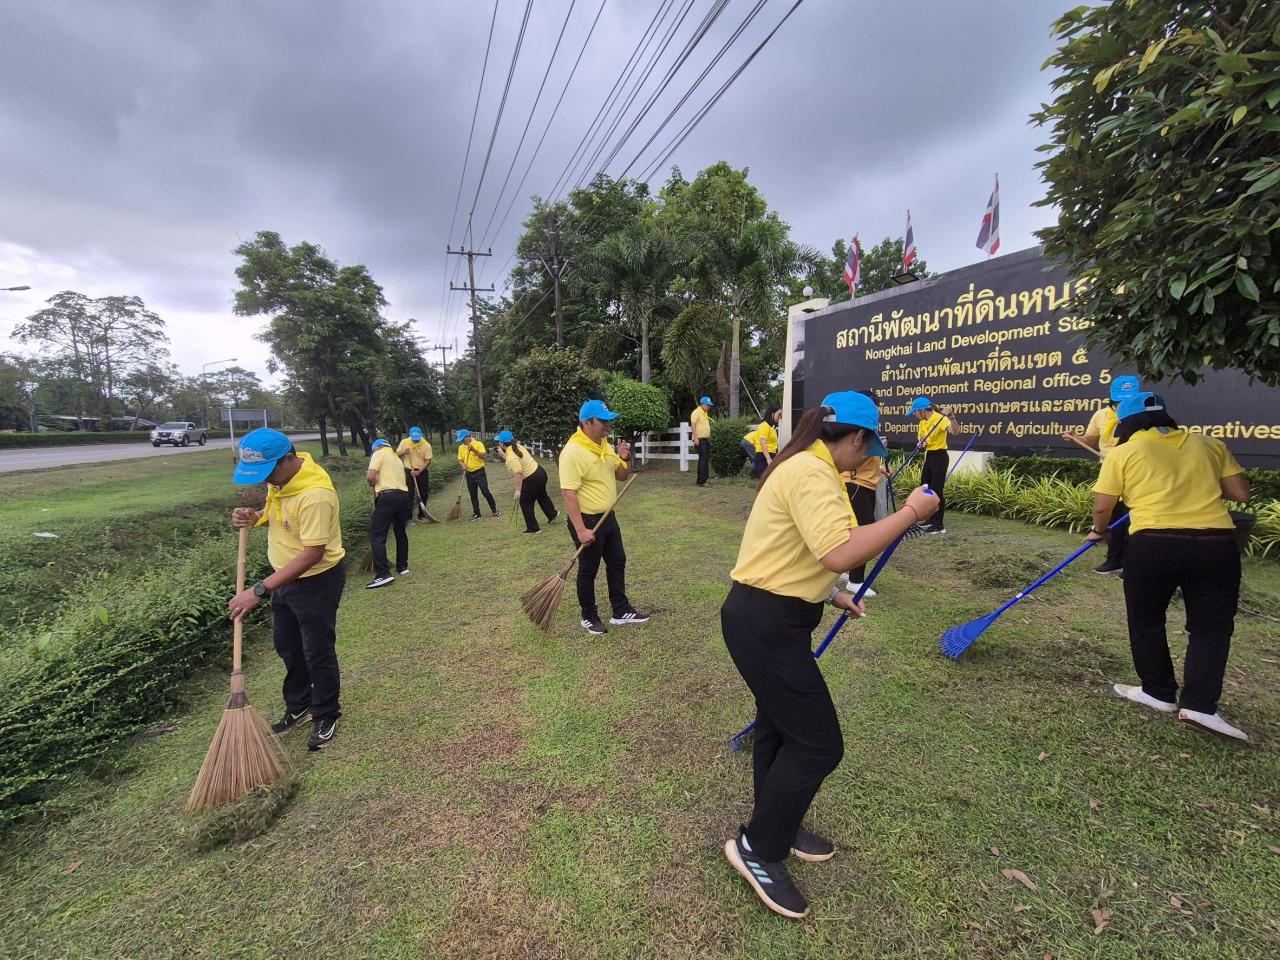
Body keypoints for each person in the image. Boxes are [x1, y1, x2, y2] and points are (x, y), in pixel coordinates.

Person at [721, 392, 938, 919]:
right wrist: (911, 511)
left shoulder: (806, 465)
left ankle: (778, 821)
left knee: (781, 728)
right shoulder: (812, 474)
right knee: (819, 745)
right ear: (856, 438)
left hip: (769, 616)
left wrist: (830, 592)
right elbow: (840, 551)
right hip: (766, 624)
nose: (868, 460)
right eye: (869, 450)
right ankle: (758, 849)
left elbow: (794, 551)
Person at [1090, 392, 1252, 741]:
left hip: (1153, 544)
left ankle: (1158, 691)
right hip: (1216, 544)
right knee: (1212, 627)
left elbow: (1104, 506)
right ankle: (1200, 705)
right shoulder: (1210, 445)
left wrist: (1098, 532)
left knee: (1146, 619)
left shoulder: (1124, 452)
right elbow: (1240, 493)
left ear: (1127, 423)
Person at [227, 428, 346, 752]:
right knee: (287, 646)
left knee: (317, 650)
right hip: (282, 579)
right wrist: (254, 518)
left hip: (315, 581)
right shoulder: (281, 480)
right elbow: (277, 515)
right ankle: (300, 705)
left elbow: (312, 553)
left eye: (269, 472)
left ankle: (326, 712)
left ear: (289, 458)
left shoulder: (315, 494)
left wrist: (259, 590)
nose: (268, 481)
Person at [558, 399, 650, 635]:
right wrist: (580, 530)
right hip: (588, 521)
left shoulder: (604, 444)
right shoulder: (572, 452)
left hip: (609, 516)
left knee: (617, 561)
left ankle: (620, 610)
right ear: (587, 422)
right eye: (603, 421)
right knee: (588, 569)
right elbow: (569, 494)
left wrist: (624, 458)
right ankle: (588, 616)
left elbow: (621, 475)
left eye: (609, 420)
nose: (608, 425)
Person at [1062, 375, 1141, 575]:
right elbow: (1089, 439)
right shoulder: (1100, 416)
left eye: (1129, 399)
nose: (1123, 404)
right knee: (1113, 516)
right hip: (1110, 471)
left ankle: (1133, 564)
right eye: (1120, 399)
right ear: (1112, 398)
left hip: (1138, 471)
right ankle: (1114, 560)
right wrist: (1074, 438)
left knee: (1133, 520)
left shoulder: (1143, 416)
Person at [838, 392, 887, 597]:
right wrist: (878, 449)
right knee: (863, 534)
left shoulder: (866, 428)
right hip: (855, 485)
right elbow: (854, 458)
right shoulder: (860, 429)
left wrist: (880, 467)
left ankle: (848, 572)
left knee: (853, 531)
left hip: (864, 485)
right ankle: (855, 580)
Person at [909, 396, 960, 534]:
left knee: (936, 490)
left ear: (921, 410)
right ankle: (931, 518)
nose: (914, 415)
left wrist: (952, 417)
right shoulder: (922, 423)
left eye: (914, 412)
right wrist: (921, 445)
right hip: (930, 456)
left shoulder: (940, 419)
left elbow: (955, 431)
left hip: (940, 456)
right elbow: (922, 444)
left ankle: (939, 524)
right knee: (925, 487)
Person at [366, 438, 411, 588]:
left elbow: (370, 477)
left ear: (376, 447)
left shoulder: (378, 454)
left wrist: (373, 483)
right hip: (404, 497)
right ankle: (402, 566)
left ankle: (383, 574)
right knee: (400, 532)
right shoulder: (397, 459)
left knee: (377, 534)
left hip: (388, 496)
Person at [496, 429, 557, 533]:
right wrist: (503, 455)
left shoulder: (511, 455)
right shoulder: (517, 446)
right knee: (541, 494)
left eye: (499, 441)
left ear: (501, 443)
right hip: (540, 472)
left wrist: (518, 490)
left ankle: (533, 528)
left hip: (532, 478)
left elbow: (519, 472)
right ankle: (552, 514)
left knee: (525, 502)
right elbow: (516, 459)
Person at [456, 428, 499, 521]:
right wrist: (463, 465)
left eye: (463, 439)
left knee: (485, 492)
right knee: (473, 494)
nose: (462, 442)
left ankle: (495, 510)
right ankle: (477, 513)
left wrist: (473, 449)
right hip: (469, 474)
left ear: (468, 437)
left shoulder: (478, 444)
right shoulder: (461, 447)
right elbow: (460, 459)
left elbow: (483, 456)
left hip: (479, 472)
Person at [396, 426, 434, 521]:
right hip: (409, 470)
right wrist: (404, 452)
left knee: (423, 493)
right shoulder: (404, 442)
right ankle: (408, 517)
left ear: (421, 435)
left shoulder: (426, 445)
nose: (416, 441)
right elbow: (396, 455)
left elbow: (428, 460)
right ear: (410, 435)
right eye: (414, 439)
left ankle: (422, 515)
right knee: (409, 494)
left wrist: (419, 471)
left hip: (422, 471)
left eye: (417, 439)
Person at [741, 404, 783, 479]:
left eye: (781, 415)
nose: (780, 417)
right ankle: (754, 473)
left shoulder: (771, 427)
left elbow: (772, 444)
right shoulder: (765, 426)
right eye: (779, 414)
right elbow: (763, 443)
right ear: (772, 413)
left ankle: (754, 473)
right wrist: (768, 458)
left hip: (769, 454)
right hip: (762, 454)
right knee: (763, 479)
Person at [690, 395, 714, 486]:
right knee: (703, 459)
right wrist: (695, 438)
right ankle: (702, 481)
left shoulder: (704, 413)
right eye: (708, 405)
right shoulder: (696, 412)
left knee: (704, 459)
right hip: (699, 439)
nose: (709, 406)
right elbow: (693, 425)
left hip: (705, 439)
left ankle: (702, 479)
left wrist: (708, 436)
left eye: (709, 405)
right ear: (703, 404)